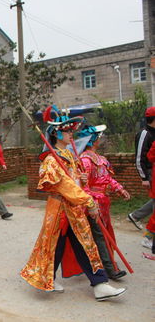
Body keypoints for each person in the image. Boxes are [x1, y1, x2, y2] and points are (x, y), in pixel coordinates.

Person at [20, 105, 126, 301]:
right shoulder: (52, 160)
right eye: (67, 131)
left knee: (85, 244)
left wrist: (82, 179)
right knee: (56, 245)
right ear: (57, 134)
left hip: (74, 208)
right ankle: (50, 278)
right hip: (61, 209)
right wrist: (88, 201)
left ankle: (100, 284)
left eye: (71, 130)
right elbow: (65, 186)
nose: (71, 134)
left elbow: (74, 181)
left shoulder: (70, 155)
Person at [78, 124, 130, 279]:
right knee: (99, 235)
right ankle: (109, 268)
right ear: (93, 140)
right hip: (93, 204)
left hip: (104, 202)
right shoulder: (85, 160)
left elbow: (108, 179)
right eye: (99, 137)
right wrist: (91, 202)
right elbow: (83, 185)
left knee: (104, 233)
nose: (101, 140)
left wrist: (120, 189)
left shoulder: (101, 159)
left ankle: (106, 264)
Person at [128, 106, 155, 229]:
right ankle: (149, 235)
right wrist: (143, 177)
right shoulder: (144, 133)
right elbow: (139, 157)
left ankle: (135, 216)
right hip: (149, 171)